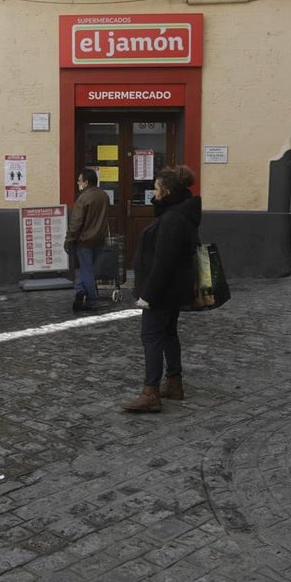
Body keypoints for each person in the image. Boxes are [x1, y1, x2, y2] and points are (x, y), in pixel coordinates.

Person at [121, 165, 201, 413]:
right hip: (173, 289)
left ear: (166, 191)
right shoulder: (179, 214)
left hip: (163, 291)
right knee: (167, 334)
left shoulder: (172, 219)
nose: (153, 195)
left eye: (156, 190)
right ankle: (174, 383)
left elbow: (164, 261)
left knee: (151, 337)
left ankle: (151, 392)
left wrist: (148, 295)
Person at [64, 167, 109, 311]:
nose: (78, 183)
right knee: (89, 270)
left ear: (86, 182)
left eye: (79, 181)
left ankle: (92, 300)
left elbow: (76, 222)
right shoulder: (104, 196)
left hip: (84, 240)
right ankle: (80, 290)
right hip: (99, 239)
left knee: (85, 270)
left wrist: (69, 240)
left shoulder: (83, 198)